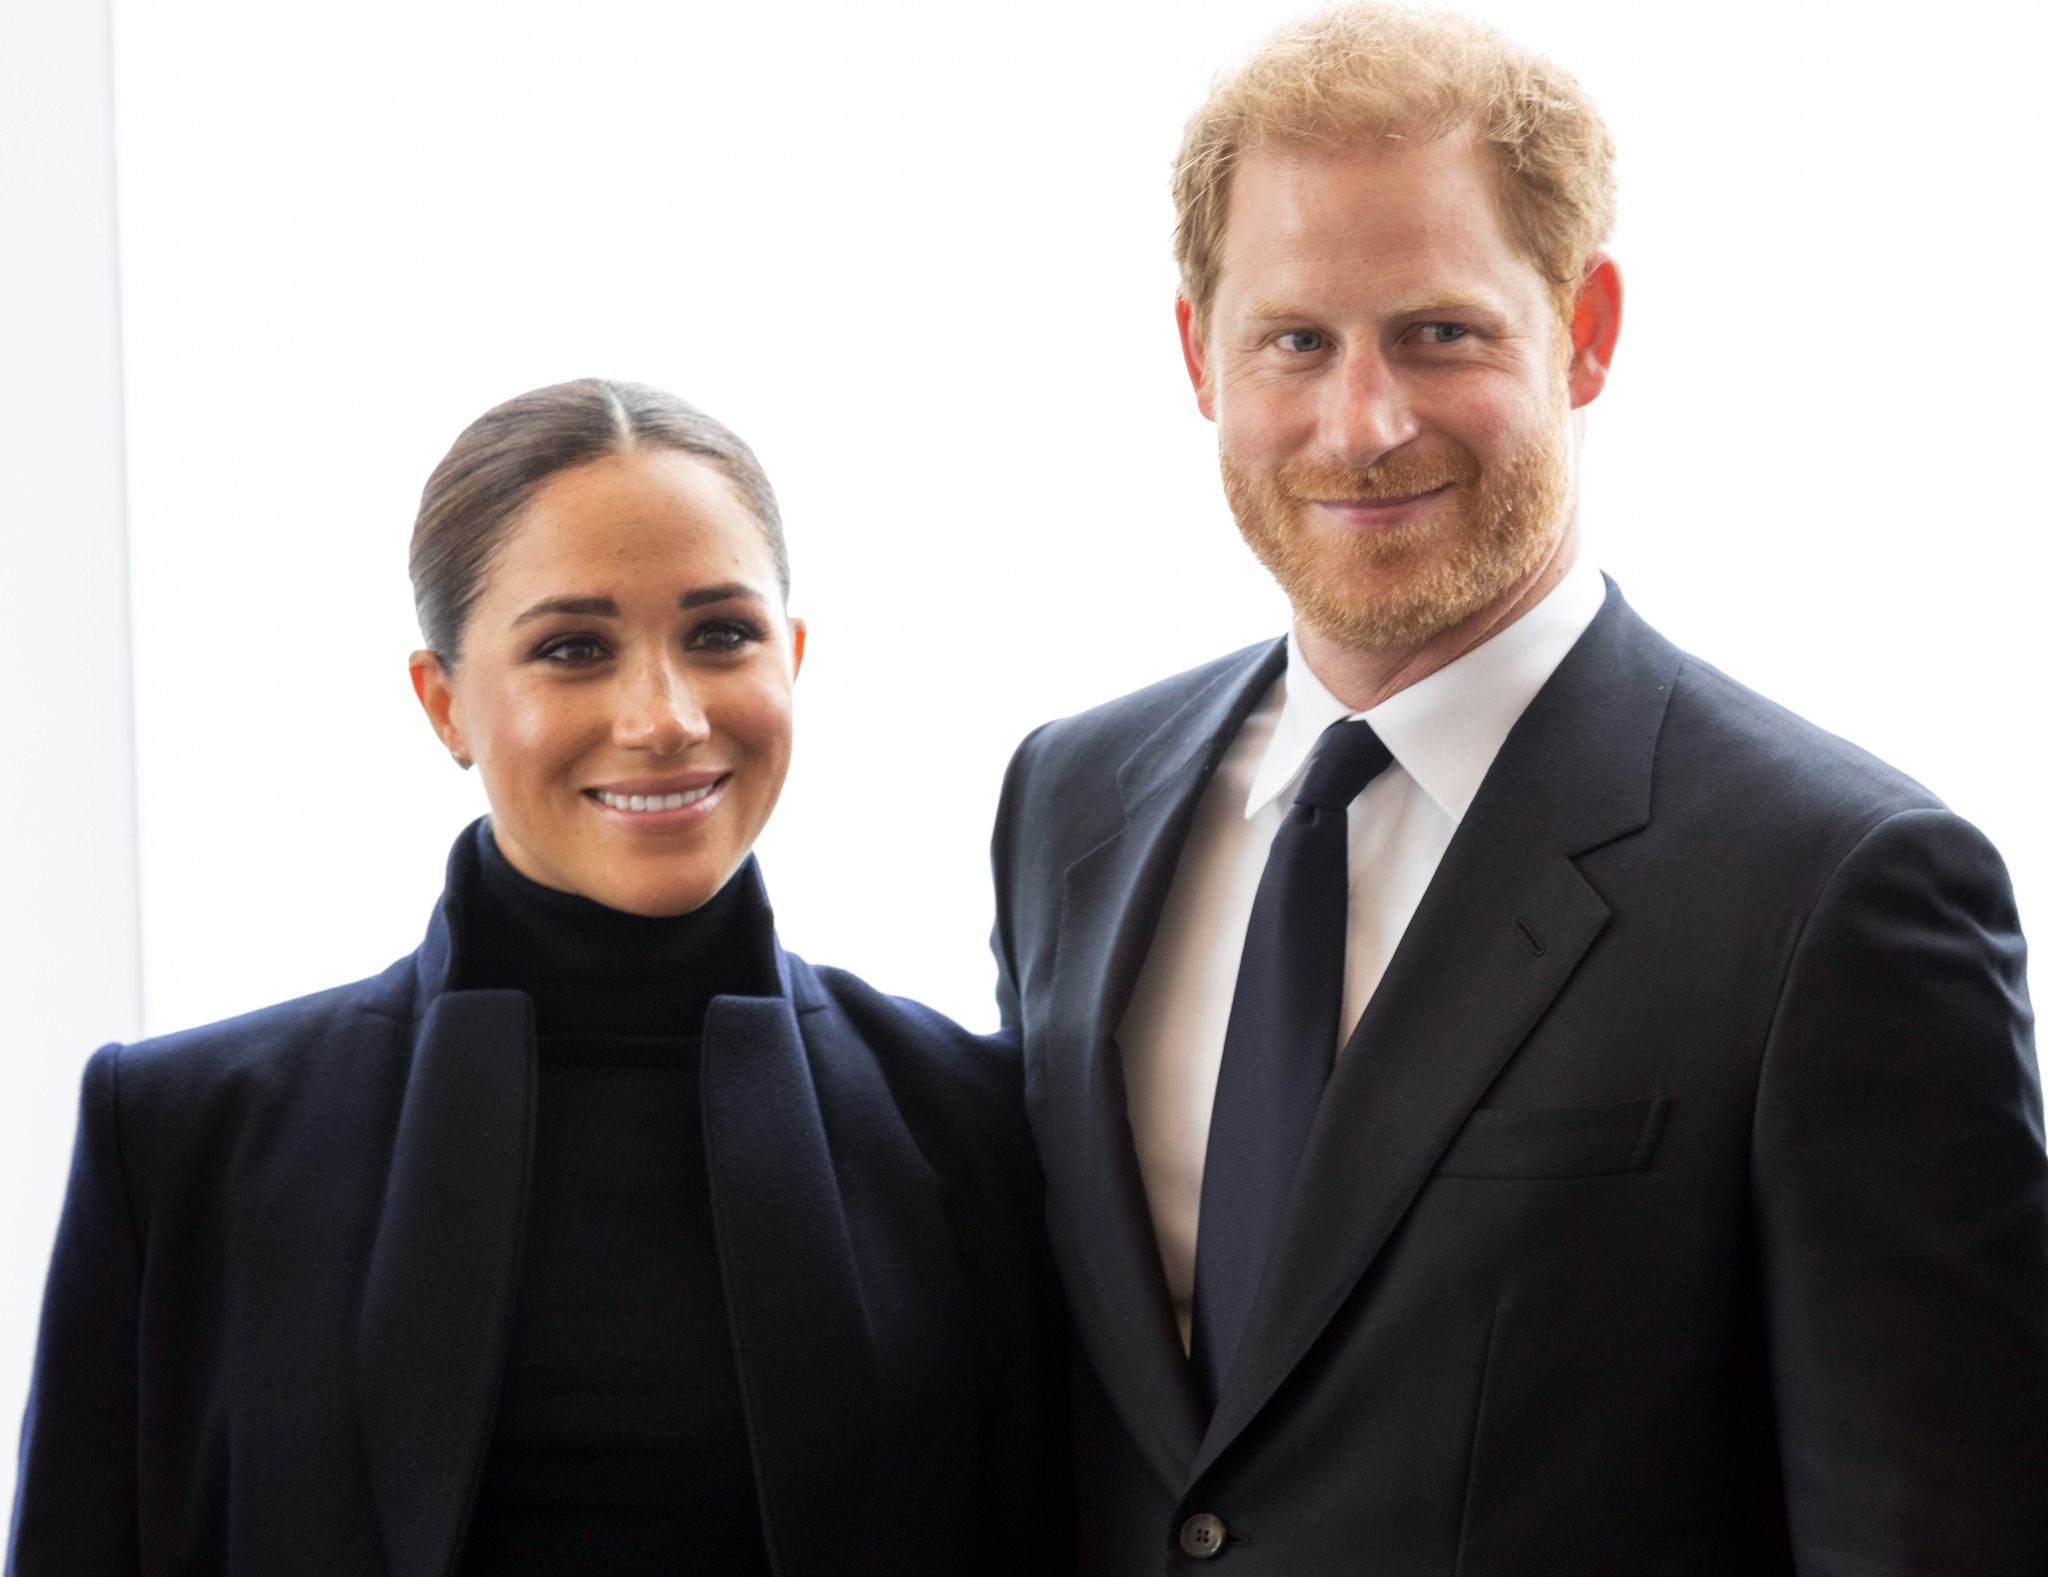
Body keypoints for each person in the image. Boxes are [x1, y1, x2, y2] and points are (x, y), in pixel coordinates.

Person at [989, 7, 2048, 1573]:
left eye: (1439, 332)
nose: (1364, 424)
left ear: (1586, 327)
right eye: (1296, 340)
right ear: (1199, 352)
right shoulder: (1070, 803)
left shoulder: (1839, 888)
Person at [11, 379, 1064, 1576]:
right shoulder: (181, 1132)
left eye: (721, 633)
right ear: (443, 702)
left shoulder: (975, 1120)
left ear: (795, 655)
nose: (664, 716)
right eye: (573, 648)